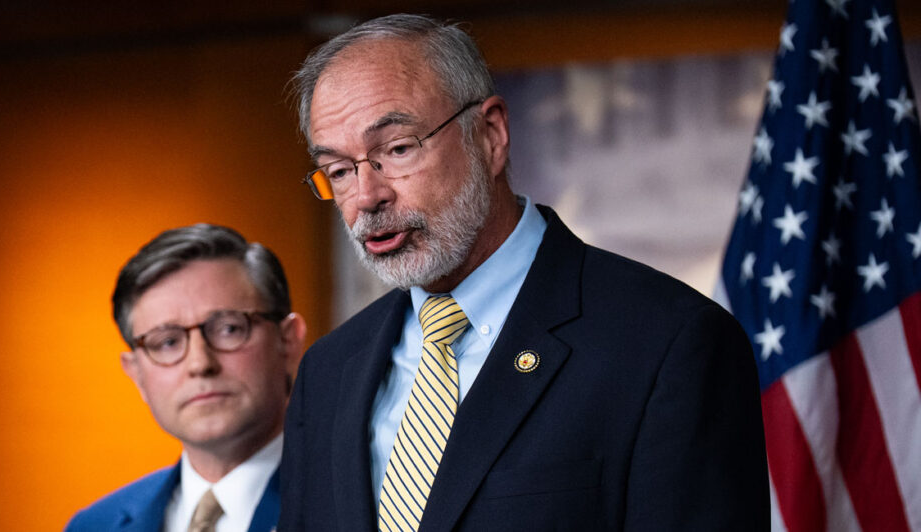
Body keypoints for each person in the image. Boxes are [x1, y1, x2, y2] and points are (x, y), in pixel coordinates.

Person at [279, 14, 768, 531]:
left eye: (397, 149)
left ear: (490, 135)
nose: (366, 197)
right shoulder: (327, 373)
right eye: (338, 170)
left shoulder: (668, 343)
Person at [67, 224, 306, 532]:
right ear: (136, 373)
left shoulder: (361, 498)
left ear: (288, 341)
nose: (199, 363)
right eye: (167, 342)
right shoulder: (95, 525)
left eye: (229, 328)